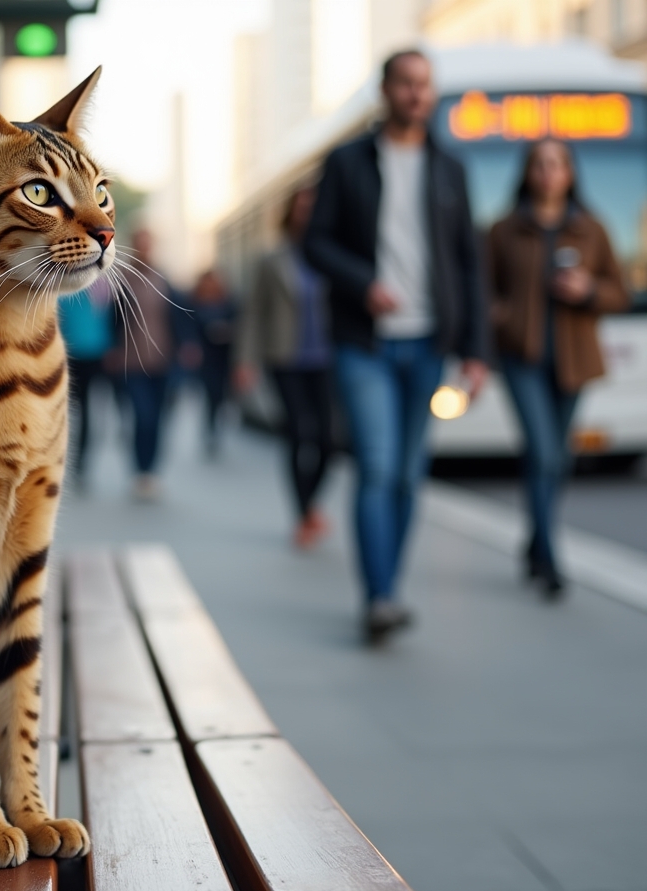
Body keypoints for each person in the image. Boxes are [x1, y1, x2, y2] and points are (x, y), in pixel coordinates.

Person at [304, 49, 489, 643]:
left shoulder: (450, 167)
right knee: (379, 466)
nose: (416, 94)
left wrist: (476, 351)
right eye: (406, 83)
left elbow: (469, 263)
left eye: (425, 84)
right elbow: (315, 243)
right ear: (385, 91)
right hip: (365, 342)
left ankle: (390, 586)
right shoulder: (347, 162)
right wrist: (364, 284)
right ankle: (378, 598)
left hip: (428, 343)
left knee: (409, 476)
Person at [488, 139, 628, 596]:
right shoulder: (504, 230)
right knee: (544, 451)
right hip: (522, 357)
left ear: (570, 174)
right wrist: (501, 315)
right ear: (527, 173)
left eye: (557, 164)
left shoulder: (592, 229)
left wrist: (587, 290)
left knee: (555, 457)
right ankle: (548, 557)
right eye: (540, 165)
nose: (549, 173)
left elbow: (619, 292)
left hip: (573, 360)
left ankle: (535, 541)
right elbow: (483, 290)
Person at [235, 186, 334, 550]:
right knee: (298, 433)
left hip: (327, 359)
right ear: (290, 212)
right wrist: (245, 360)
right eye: (301, 207)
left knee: (327, 440)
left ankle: (311, 504)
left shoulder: (331, 255)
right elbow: (254, 313)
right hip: (285, 358)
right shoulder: (271, 260)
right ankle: (303, 513)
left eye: (313, 207)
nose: (306, 214)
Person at [108, 229, 177, 501]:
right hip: (131, 363)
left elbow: (178, 318)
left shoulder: (164, 280)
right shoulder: (123, 279)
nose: (144, 249)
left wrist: (186, 347)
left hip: (163, 362)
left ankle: (151, 471)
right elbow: (112, 318)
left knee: (158, 419)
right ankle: (140, 469)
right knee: (142, 416)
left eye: (148, 244)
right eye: (140, 244)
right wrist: (112, 350)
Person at [58, 277, 115, 490]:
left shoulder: (103, 287)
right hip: (69, 355)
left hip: (95, 356)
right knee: (66, 412)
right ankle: (66, 460)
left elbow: (112, 319)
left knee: (86, 411)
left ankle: (81, 463)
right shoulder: (63, 286)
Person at [187, 269, 238, 456]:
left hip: (225, 357)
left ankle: (216, 429)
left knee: (221, 396)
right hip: (206, 358)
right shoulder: (194, 303)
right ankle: (211, 431)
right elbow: (190, 328)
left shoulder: (228, 303)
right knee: (211, 395)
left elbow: (239, 325)